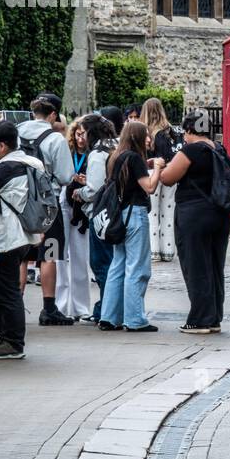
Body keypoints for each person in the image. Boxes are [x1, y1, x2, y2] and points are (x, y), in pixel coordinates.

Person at [0, 120, 45, 360]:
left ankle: (13, 342)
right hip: (26, 233)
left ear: (2, 146)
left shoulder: (4, 169)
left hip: (6, 237)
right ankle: (8, 338)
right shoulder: (32, 161)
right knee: (7, 288)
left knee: (6, 291)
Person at [160, 110, 230, 334]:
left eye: (185, 133)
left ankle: (199, 320)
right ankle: (214, 318)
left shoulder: (190, 150)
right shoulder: (218, 148)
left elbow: (168, 178)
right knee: (214, 266)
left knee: (196, 265)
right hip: (220, 213)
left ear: (189, 130)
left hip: (194, 214)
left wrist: (160, 166)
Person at [99, 121, 165, 332]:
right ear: (136, 137)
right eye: (145, 135)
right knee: (137, 268)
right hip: (135, 215)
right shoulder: (135, 158)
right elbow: (150, 187)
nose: (149, 139)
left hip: (119, 216)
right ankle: (135, 319)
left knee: (118, 266)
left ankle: (109, 317)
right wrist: (157, 168)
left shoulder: (115, 156)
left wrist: (148, 165)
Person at [18, 94, 76, 326]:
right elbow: (65, 176)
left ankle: (14, 305)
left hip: (19, 201)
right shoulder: (55, 139)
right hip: (46, 205)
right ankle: (49, 308)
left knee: (21, 256)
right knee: (49, 254)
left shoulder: (17, 131)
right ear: (53, 114)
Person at [75, 114, 118, 323]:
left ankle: (105, 310)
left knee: (101, 263)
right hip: (119, 212)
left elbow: (93, 190)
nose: (81, 137)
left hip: (100, 215)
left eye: (83, 132)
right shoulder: (116, 145)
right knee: (117, 263)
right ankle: (111, 307)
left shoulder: (96, 154)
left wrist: (79, 193)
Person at [55, 117, 93, 321]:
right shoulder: (66, 152)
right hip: (64, 202)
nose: (81, 138)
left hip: (82, 209)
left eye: (84, 134)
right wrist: (72, 178)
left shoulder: (92, 155)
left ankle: (80, 307)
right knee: (59, 257)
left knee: (80, 257)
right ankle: (60, 306)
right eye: (78, 134)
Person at [142, 98, 179, 263]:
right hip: (170, 172)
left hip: (153, 172)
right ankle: (168, 250)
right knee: (168, 212)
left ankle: (154, 251)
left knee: (152, 212)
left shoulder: (148, 132)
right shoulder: (170, 131)